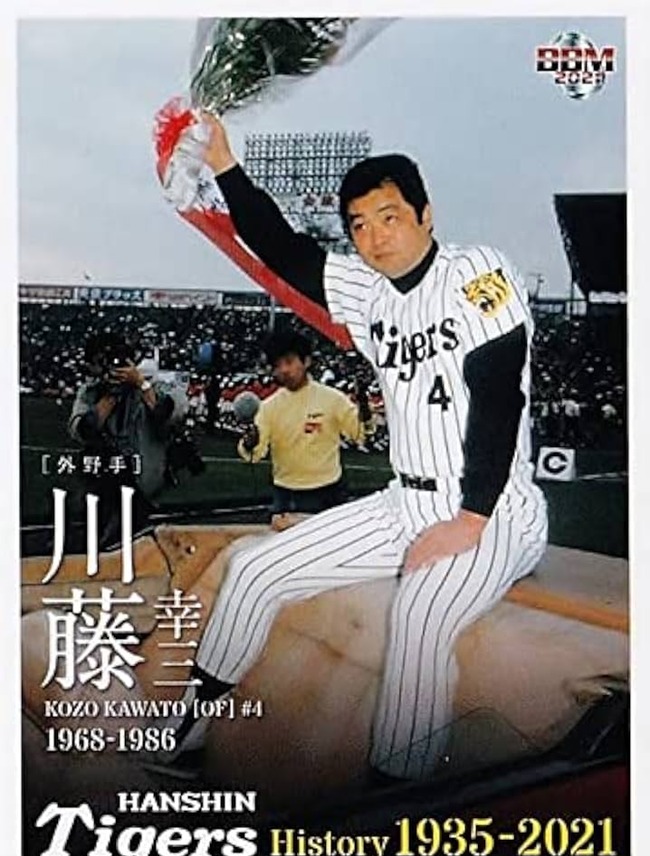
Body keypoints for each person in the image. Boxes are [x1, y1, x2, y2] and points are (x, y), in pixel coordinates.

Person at [161, 114, 548, 783]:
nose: (374, 236)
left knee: (421, 614)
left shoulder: (477, 271)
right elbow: (282, 250)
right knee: (254, 568)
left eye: (389, 217)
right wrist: (225, 163)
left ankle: (397, 793)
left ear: (426, 215)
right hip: (405, 502)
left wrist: (470, 519)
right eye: (359, 224)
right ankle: (188, 732)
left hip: (496, 509)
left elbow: (499, 393)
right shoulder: (367, 292)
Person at [237, 327, 373, 530]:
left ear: (306, 361)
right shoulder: (268, 407)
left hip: (329, 492)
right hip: (286, 494)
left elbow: (360, 434)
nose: (284, 370)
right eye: (278, 365)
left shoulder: (333, 399)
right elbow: (254, 454)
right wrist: (249, 443)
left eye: (289, 362)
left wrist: (365, 410)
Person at [69, 333, 183, 546]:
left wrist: (141, 384)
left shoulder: (155, 385)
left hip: (143, 481)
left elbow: (170, 414)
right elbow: (82, 431)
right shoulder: (92, 392)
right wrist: (111, 395)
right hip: (103, 483)